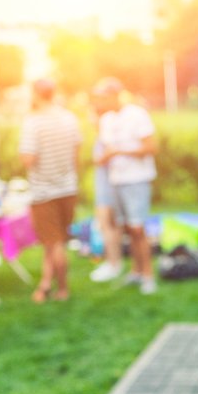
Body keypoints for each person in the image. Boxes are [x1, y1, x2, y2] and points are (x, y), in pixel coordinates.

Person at [92, 77, 158, 294]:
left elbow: (151, 147)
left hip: (136, 180)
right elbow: (106, 151)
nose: (100, 102)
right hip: (116, 180)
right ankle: (135, 272)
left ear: (115, 95)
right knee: (127, 229)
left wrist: (119, 151)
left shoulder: (137, 114)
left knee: (138, 228)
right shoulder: (106, 120)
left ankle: (148, 276)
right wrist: (103, 158)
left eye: (104, 97)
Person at [19, 78, 81, 303]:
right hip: (68, 188)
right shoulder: (69, 118)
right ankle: (45, 283)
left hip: (44, 192)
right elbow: (76, 154)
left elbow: (28, 158)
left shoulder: (33, 122)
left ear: (35, 94)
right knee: (54, 240)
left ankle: (62, 289)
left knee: (54, 243)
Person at [89, 86, 122, 284]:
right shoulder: (104, 133)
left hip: (107, 186)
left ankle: (113, 264)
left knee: (107, 224)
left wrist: (98, 160)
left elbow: (109, 157)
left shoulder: (105, 134)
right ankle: (113, 262)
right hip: (107, 184)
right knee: (111, 225)